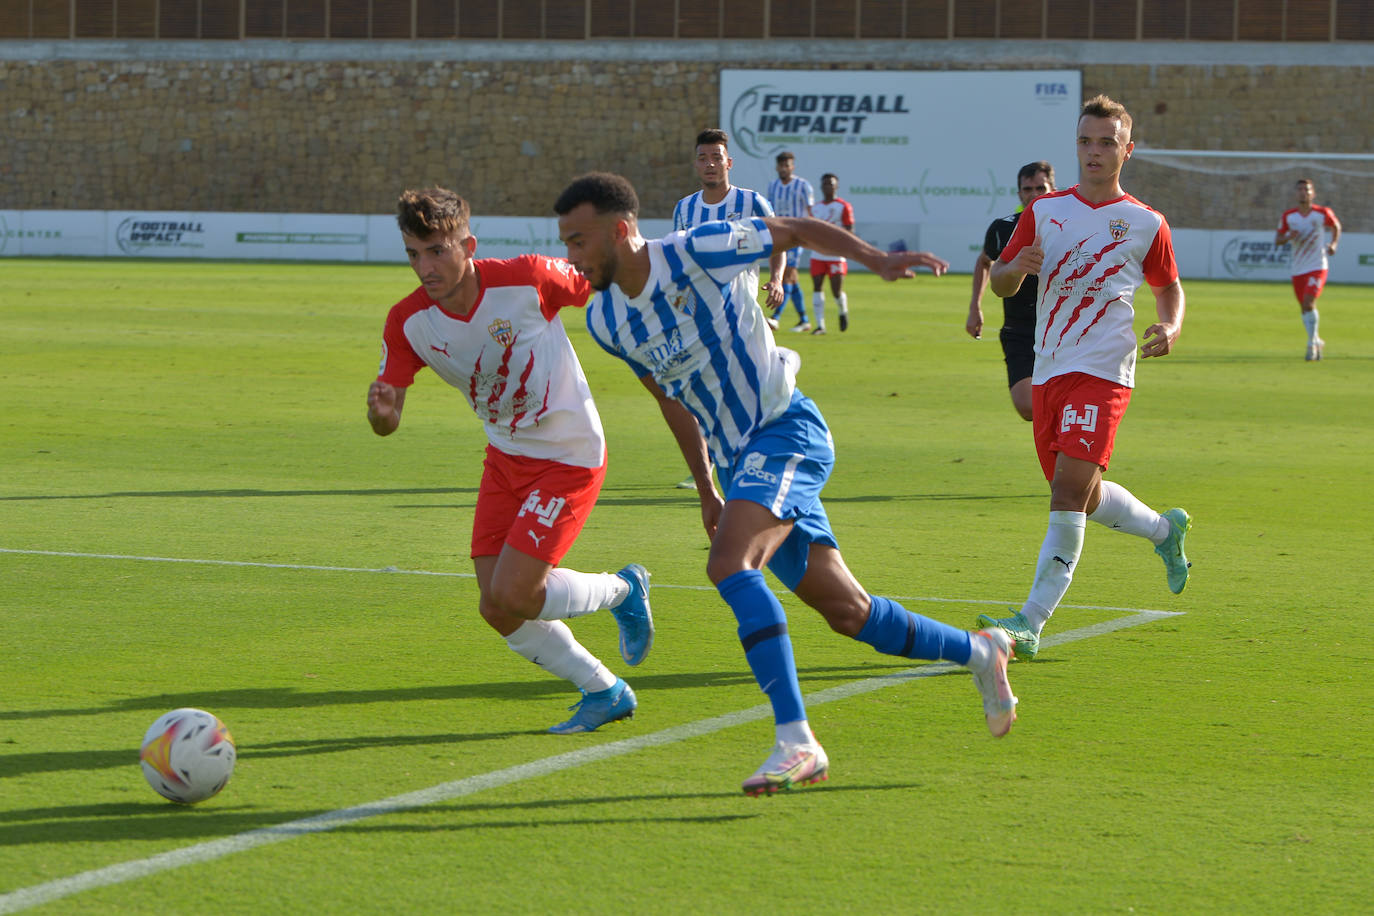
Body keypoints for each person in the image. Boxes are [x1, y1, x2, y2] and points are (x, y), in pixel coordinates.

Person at [554, 172, 1018, 797]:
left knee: (729, 564)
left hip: (786, 431)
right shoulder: (607, 320)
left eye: (578, 242)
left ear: (620, 230)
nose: (570, 258)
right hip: (741, 464)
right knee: (850, 613)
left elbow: (792, 230)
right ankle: (980, 652)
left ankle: (796, 740)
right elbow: (671, 401)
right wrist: (705, 487)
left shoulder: (697, 250)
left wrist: (877, 260)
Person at [367, 187, 654, 734]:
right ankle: (605, 689)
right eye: (413, 254)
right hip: (505, 459)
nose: (424, 267)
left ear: (467, 245)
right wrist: (382, 411)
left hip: (569, 454)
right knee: (496, 608)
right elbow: (388, 418)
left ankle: (623, 589)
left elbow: (601, 282)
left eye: (437, 250)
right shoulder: (408, 322)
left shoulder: (525, 278)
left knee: (517, 592)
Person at [981, 95, 1193, 661]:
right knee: (1085, 495)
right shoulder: (1047, 211)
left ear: (1127, 149)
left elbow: (1168, 285)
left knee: (1067, 492)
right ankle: (1164, 532)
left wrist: (1170, 324)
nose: (1094, 152)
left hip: (1103, 372)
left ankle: (1029, 621)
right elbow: (1002, 283)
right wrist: (1010, 271)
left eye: (1106, 142)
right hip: (1048, 369)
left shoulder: (1146, 222)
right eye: (1085, 141)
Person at [670, 127, 786, 490]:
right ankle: (706, 464)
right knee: (698, 390)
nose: (709, 164)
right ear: (695, 164)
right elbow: (677, 257)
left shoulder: (751, 203)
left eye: (716, 157)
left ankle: (756, 459)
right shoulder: (685, 208)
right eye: (703, 158)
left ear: (728, 162)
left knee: (748, 390)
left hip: (740, 316)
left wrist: (778, 278)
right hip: (696, 318)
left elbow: (779, 238)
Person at [966, 161, 1056, 421]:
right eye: (1027, 189)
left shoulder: (1070, 228)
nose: (1034, 194)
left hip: (1063, 329)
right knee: (1027, 407)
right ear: (1019, 193)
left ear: (1053, 189)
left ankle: (1068, 445)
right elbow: (985, 261)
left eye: (1041, 187)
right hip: (1020, 330)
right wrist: (975, 308)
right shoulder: (1003, 229)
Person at [1275, 177, 1341, 361]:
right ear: (1296, 193)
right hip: (1298, 269)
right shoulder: (1289, 216)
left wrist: (1334, 244)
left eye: (1307, 189)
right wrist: (1289, 236)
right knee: (1304, 309)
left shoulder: (1322, 213)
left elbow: (1336, 225)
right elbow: (1278, 239)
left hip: (1318, 265)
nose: (1303, 192)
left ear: (1313, 193)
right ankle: (1317, 339)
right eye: (1300, 189)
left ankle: (1312, 344)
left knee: (1308, 303)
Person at [765, 151, 815, 332]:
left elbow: (810, 212)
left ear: (792, 167)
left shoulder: (803, 186)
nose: (784, 169)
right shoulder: (773, 186)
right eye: (781, 165)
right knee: (792, 279)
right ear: (777, 167)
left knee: (787, 274)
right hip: (778, 235)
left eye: (788, 165)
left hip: (796, 237)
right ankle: (804, 320)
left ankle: (775, 317)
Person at [807, 173, 855, 335]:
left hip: (836, 255)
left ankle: (842, 311)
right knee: (817, 287)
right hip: (818, 255)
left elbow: (849, 230)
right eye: (825, 184)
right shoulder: (815, 208)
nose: (828, 186)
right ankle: (820, 325)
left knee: (836, 291)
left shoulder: (843, 206)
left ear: (836, 186)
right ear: (821, 187)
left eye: (831, 184)